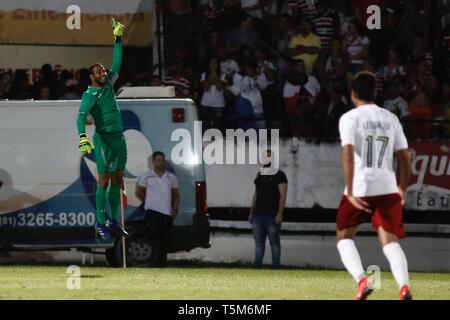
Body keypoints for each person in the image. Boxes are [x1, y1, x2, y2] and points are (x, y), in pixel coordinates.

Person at [337, 71, 413, 300]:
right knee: (390, 242)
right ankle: (404, 287)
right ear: (375, 93)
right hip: (387, 187)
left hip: (360, 187)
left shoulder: (350, 118)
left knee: (344, 238)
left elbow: (348, 155)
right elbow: (405, 158)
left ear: (353, 94)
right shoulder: (391, 118)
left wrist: (350, 192)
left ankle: (362, 281)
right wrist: (402, 188)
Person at [76, 19, 128, 241]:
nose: (104, 72)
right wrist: (83, 137)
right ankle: (99, 222)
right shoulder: (89, 95)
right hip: (104, 140)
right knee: (104, 181)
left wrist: (117, 39)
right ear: (92, 76)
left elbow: (117, 62)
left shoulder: (108, 86)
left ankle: (113, 220)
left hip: (118, 139)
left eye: (103, 70)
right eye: (99, 71)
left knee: (118, 180)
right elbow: (80, 117)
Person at [135, 152, 180, 267]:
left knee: (165, 239)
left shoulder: (171, 177)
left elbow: (176, 195)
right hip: (152, 212)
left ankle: (162, 263)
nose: (160, 162)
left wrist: (174, 209)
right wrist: (149, 200)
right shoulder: (146, 176)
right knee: (153, 237)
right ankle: (154, 262)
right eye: (158, 160)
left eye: (162, 160)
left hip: (166, 212)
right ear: (153, 162)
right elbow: (139, 192)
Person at [248, 150, 288, 268]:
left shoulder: (280, 175)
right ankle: (257, 264)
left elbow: (283, 195)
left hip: (272, 215)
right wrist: (251, 212)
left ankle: (276, 265)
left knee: (274, 242)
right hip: (258, 215)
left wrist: (280, 213)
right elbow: (256, 194)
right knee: (259, 243)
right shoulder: (260, 175)